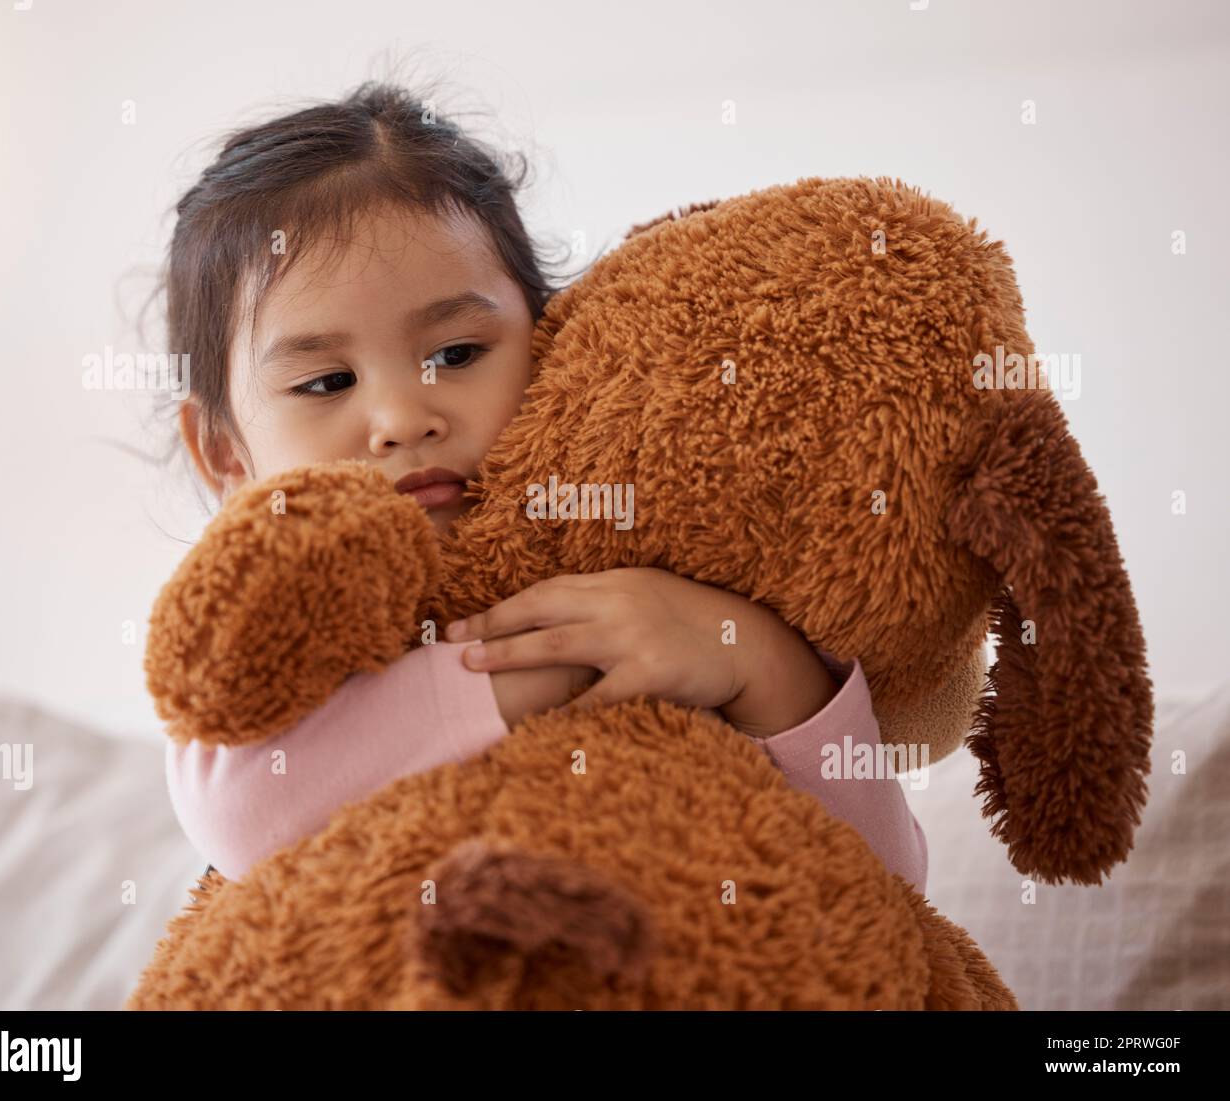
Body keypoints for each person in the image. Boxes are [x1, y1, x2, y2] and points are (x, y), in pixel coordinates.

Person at [158, 77, 926, 894]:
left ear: (551, 340)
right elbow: (244, 812)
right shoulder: (289, 622)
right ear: (225, 455)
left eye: (455, 355)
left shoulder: (652, 566)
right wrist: (558, 669)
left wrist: (759, 661)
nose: (402, 418)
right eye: (326, 382)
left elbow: (890, 888)